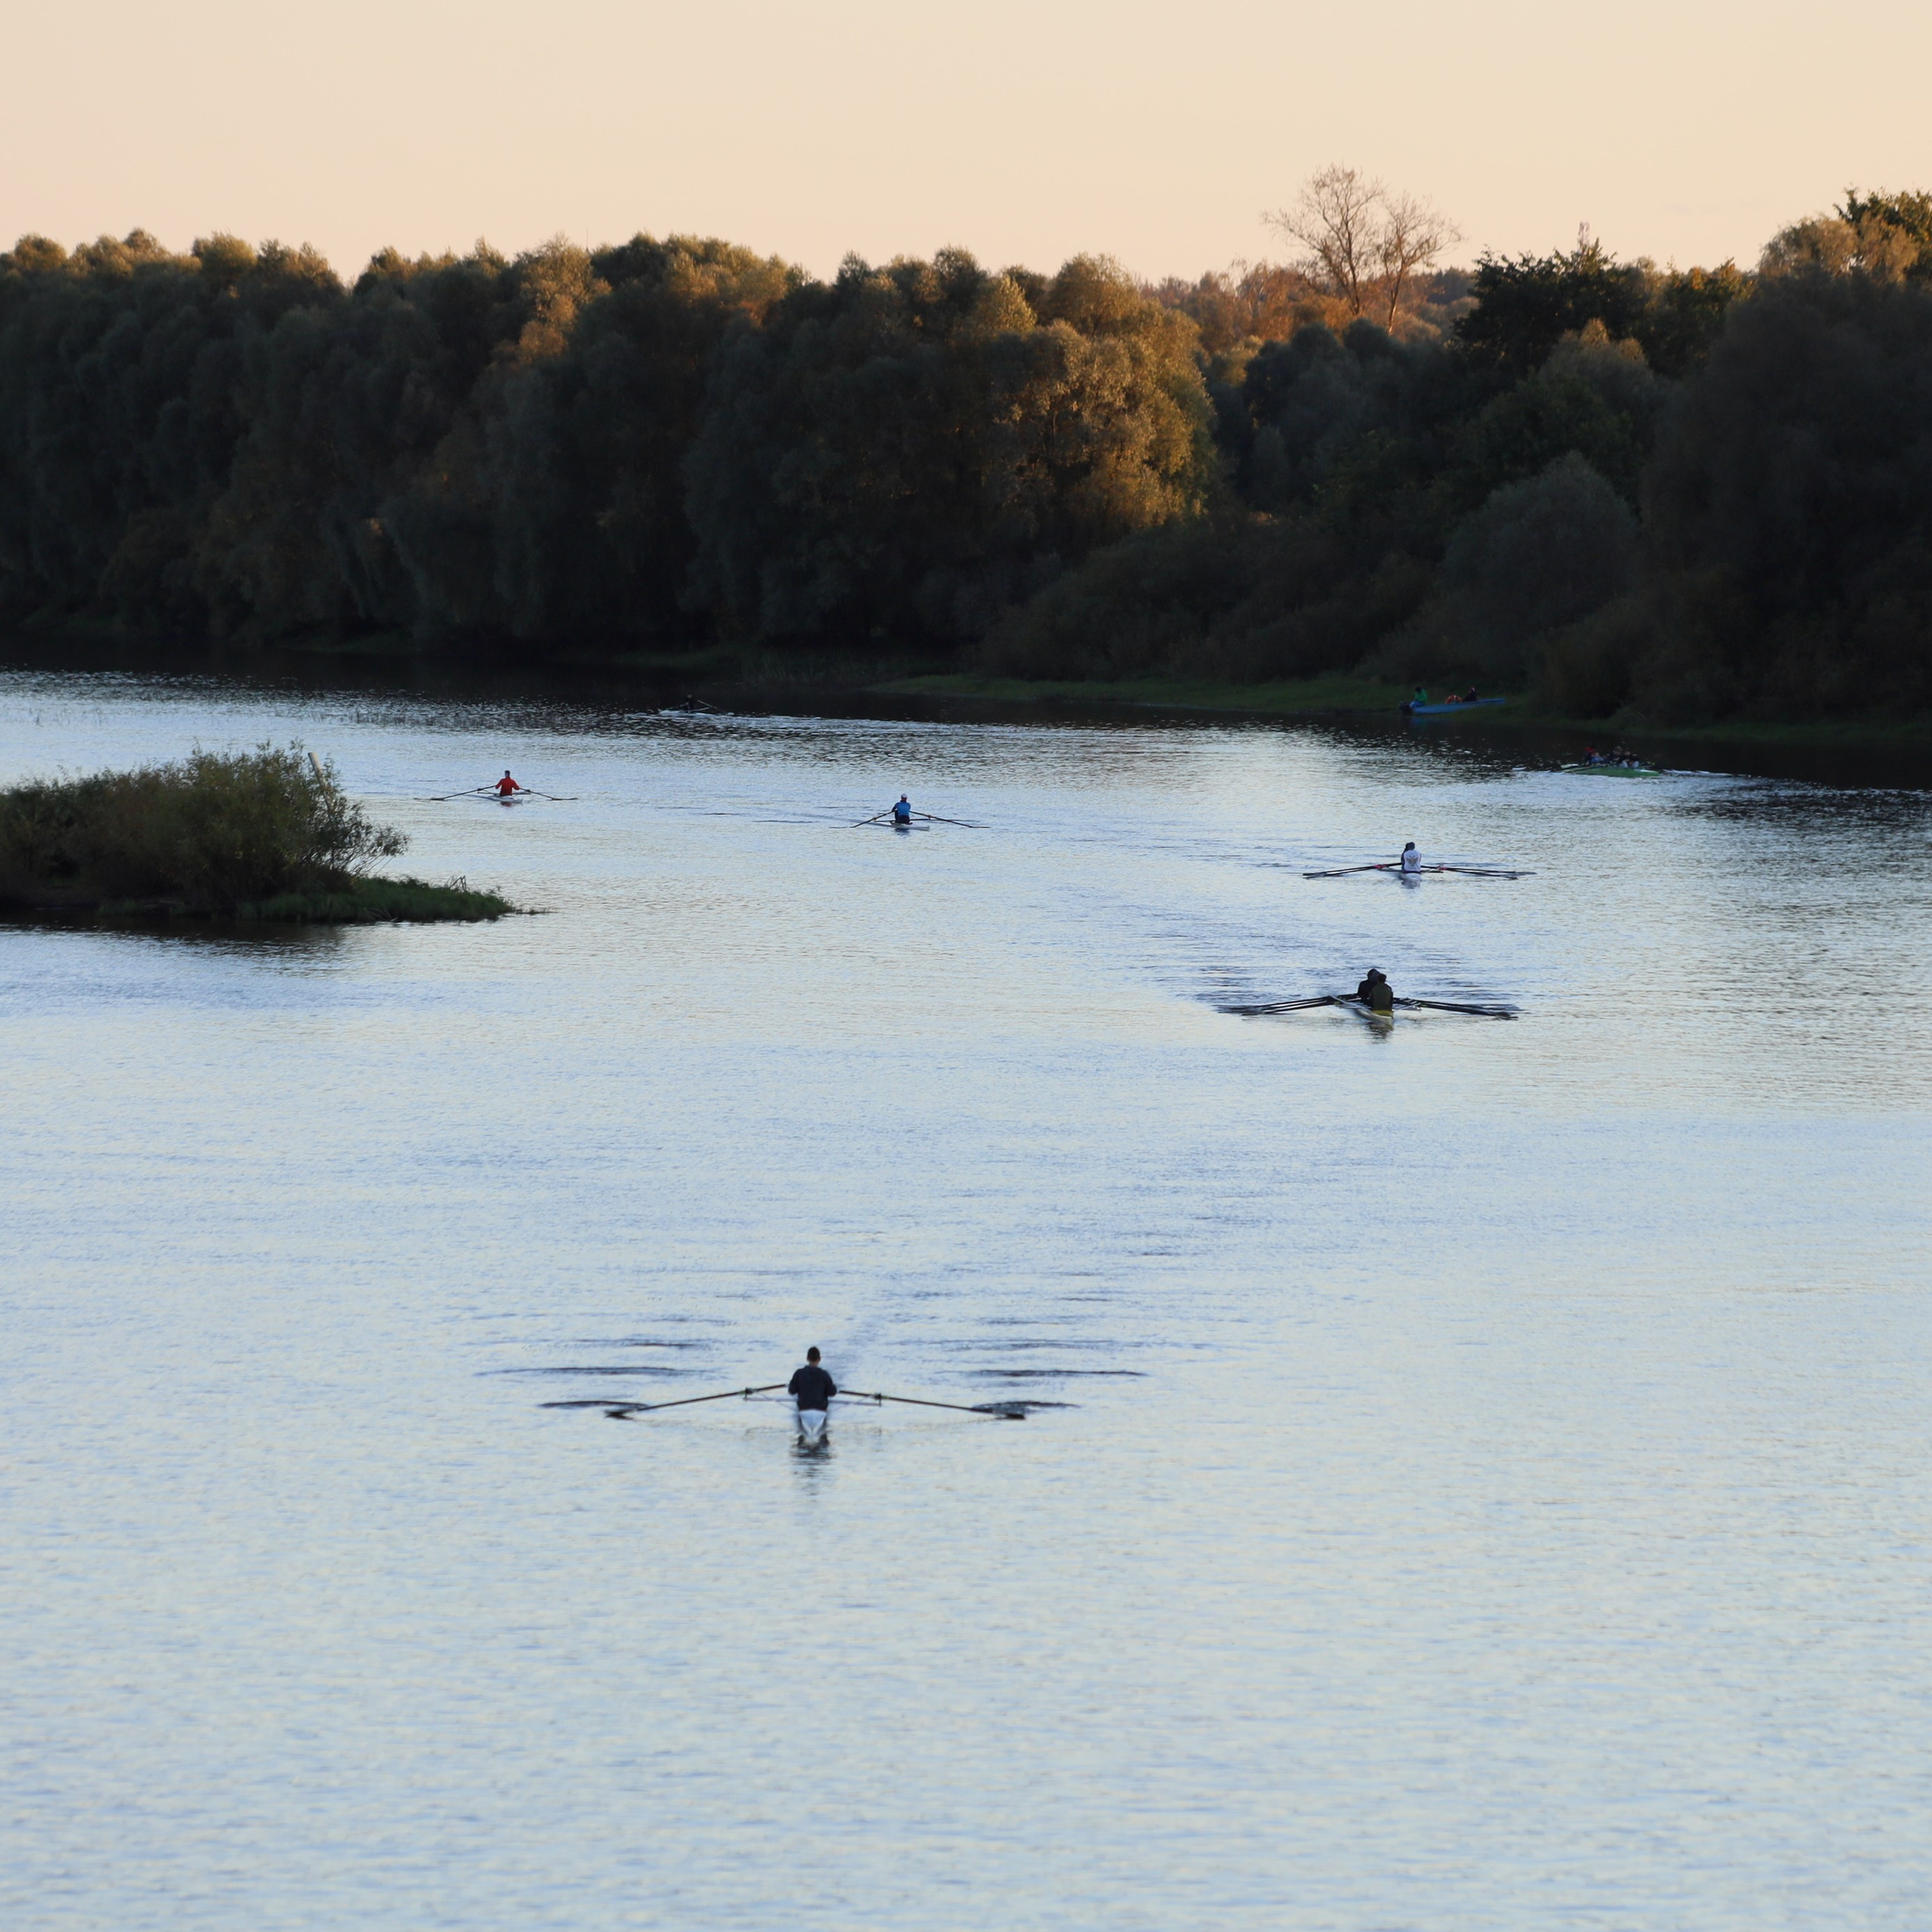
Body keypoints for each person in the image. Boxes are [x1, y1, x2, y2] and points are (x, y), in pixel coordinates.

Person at [789, 1346, 837, 1441]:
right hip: (820, 1412)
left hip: (804, 1412)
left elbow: (791, 1391)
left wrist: (795, 1384)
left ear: (807, 1358)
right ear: (819, 1359)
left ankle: (802, 1437)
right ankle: (823, 1437)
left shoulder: (799, 1373)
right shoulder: (825, 1375)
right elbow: (832, 1393)